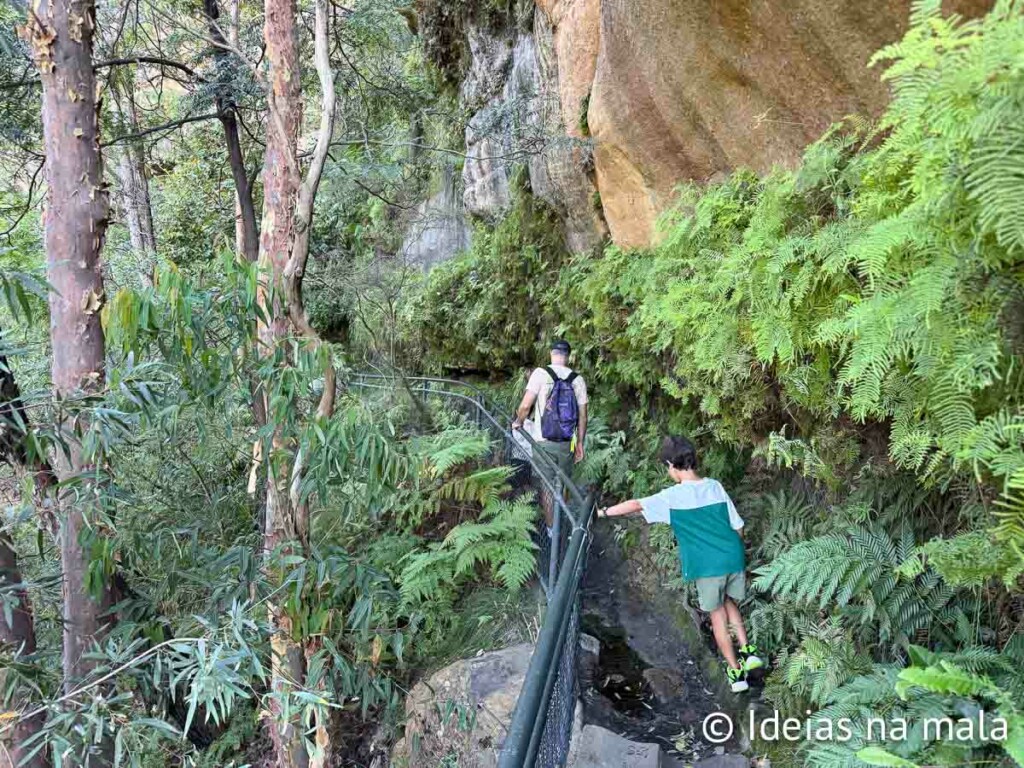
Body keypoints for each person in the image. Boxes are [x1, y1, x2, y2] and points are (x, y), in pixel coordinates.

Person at [597, 435, 764, 692]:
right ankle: (748, 652)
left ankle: (735, 673)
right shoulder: (715, 486)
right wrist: (731, 553)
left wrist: (603, 512)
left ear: (671, 466)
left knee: (717, 615)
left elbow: (635, 504)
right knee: (729, 601)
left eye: (666, 467)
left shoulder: (672, 497)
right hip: (732, 556)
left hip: (707, 566)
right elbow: (738, 527)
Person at [511, 340, 588, 529]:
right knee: (564, 481)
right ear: (568, 356)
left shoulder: (540, 374)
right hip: (567, 444)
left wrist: (519, 422)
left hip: (542, 442)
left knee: (546, 487)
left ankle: (551, 528)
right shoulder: (577, 379)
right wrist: (580, 444)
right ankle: (564, 518)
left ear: (551, 354)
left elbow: (525, 406)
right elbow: (583, 417)